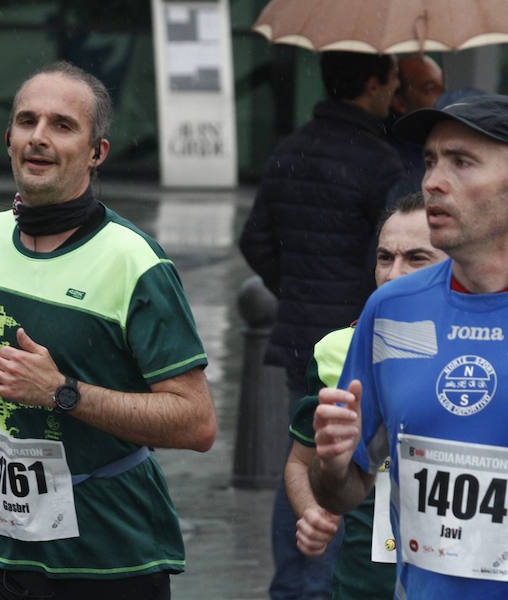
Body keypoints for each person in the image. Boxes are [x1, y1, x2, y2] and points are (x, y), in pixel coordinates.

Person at [0, 61, 217, 600]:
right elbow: (4, 357)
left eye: (62, 125)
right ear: (10, 138)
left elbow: (197, 422)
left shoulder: (133, 261)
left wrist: (62, 393)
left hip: (107, 559)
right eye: (27, 121)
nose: (39, 137)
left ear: (97, 152)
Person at [310, 94, 508, 598]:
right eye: (429, 161)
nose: (432, 182)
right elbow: (347, 486)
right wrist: (332, 463)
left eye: (461, 162)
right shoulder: (394, 307)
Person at [239, 50, 405, 600]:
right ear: (375, 84)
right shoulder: (380, 163)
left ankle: (297, 585)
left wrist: (298, 293)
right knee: (355, 467)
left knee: (306, 460)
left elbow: (255, 241)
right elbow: (389, 266)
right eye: (394, 81)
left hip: (299, 333)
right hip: (357, 343)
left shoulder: (289, 148)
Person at [285, 192, 447, 599]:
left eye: (417, 258)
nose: (392, 275)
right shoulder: (337, 349)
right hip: (364, 584)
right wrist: (313, 512)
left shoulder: (487, 346)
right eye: (384, 257)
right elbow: (299, 462)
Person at [387, 54, 445, 195]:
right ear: (399, 102)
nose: (443, 96)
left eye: (443, 87)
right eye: (430, 89)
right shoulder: (392, 163)